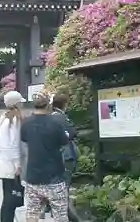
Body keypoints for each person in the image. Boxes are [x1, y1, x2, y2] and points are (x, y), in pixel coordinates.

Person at [21, 91, 74, 222]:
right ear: (48, 105)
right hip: (54, 176)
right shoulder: (55, 123)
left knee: (32, 213)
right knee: (60, 214)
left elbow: (24, 140)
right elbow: (64, 141)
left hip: (33, 176)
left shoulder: (26, 123)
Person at [41, 93, 80, 221]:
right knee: (64, 189)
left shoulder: (49, 117)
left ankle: (52, 209)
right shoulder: (60, 118)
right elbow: (73, 133)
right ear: (65, 104)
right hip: (65, 156)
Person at [0, 90, 27, 222]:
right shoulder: (14, 119)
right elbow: (12, 143)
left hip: (4, 161)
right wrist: (17, 164)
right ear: (16, 103)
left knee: (8, 195)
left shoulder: (5, 117)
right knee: (10, 198)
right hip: (10, 162)